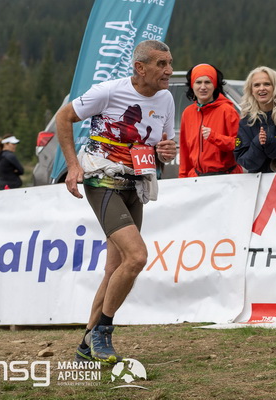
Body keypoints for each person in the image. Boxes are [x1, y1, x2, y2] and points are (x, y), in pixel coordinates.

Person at [56, 39, 176, 364]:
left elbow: (162, 147)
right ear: (140, 68)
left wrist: (166, 152)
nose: (169, 70)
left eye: (170, 63)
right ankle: (103, 332)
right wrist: (73, 166)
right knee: (136, 257)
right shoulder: (109, 91)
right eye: (161, 64)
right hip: (102, 180)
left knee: (115, 269)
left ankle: (85, 347)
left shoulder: (166, 98)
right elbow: (63, 117)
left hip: (135, 184)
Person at [234, 66, 276, 173]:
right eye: (256, 85)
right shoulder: (246, 122)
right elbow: (245, 162)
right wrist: (258, 143)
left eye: (267, 84)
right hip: (258, 182)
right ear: (251, 90)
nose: (262, 88)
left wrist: (270, 142)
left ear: (275, 88)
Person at [178, 63, 242, 177]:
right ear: (192, 85)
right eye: (198, 82)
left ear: (215, 85)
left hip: (225, 177)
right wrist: (183, 178)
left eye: (207, 82)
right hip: (196, 178)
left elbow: (239, 144)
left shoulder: (228, 111)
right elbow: (184, 151)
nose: (203, 87)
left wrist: (214, 137)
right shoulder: (187, 113)